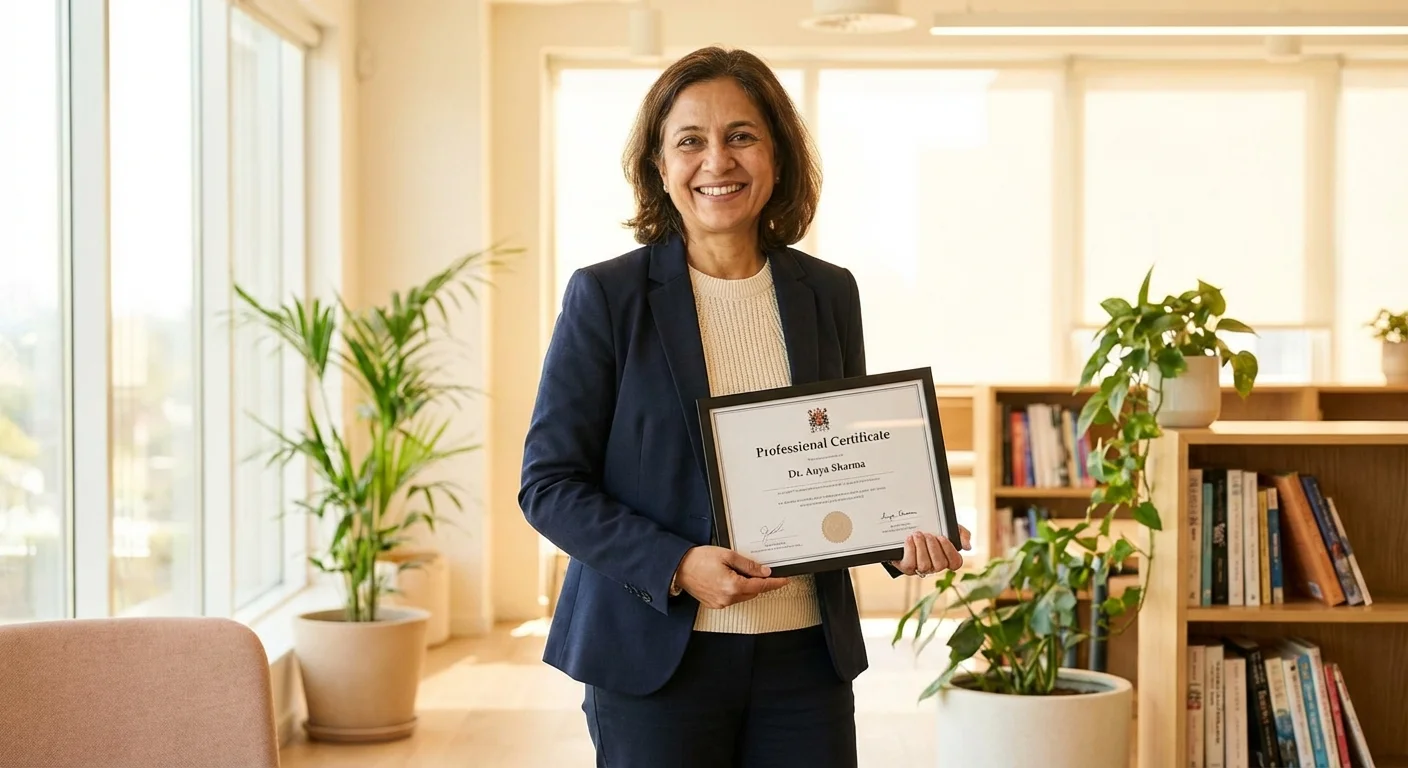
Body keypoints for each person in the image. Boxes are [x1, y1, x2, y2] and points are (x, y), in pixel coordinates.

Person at [519, 45, 971, 768]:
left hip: (804, 662)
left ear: (778, 156)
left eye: (741, 136)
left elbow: (834, 453)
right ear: (659, 167)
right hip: (655, 655)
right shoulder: (606, 296)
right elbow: (548, 485)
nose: (717, 161)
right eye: (690, 141)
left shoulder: (828, 291)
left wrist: (898, 533)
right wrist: (678, 564)